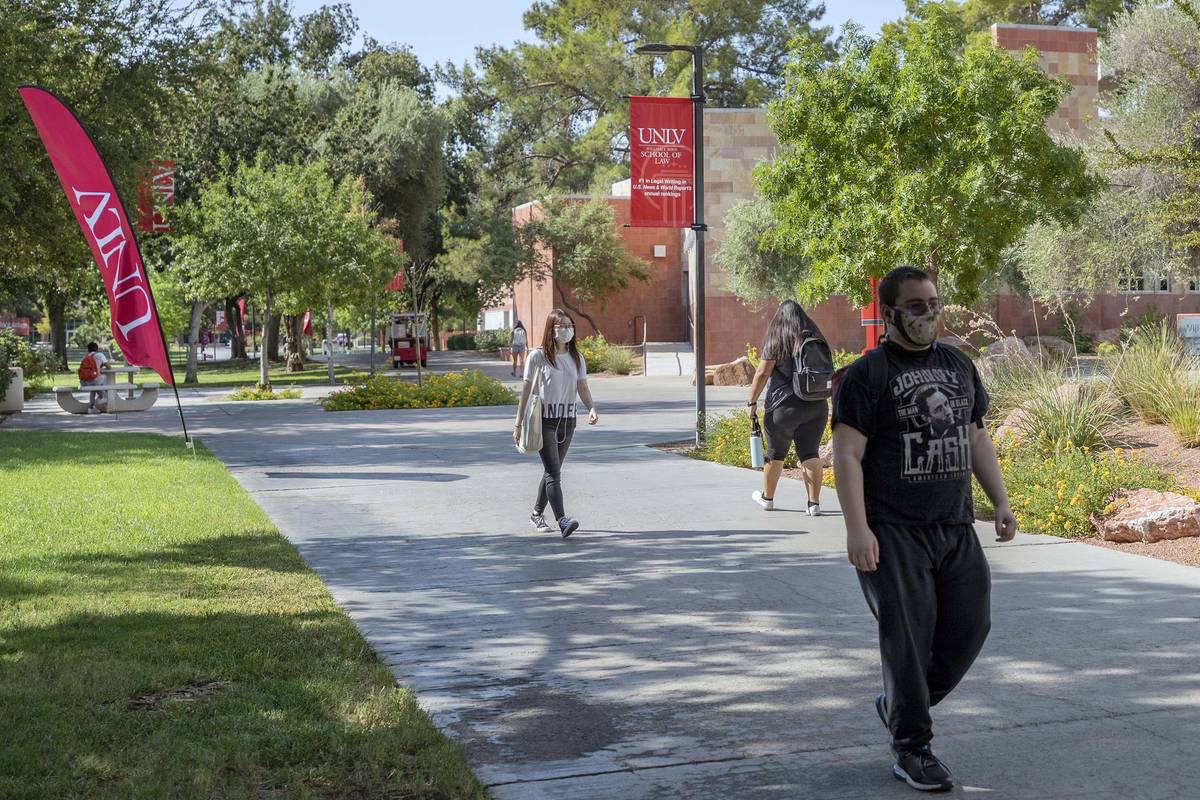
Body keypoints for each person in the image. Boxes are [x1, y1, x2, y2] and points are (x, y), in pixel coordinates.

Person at [831, 265, 1016, 793]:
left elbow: (976, 436)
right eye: (916, 306)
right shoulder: (866, 375)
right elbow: (848, 452)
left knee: (969, 628)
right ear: (888, 313)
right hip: (893, 532)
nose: (929, 314)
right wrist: (856, 529)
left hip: (954, 524)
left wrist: (999, 501)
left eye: (934, 303)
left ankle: (899, 704)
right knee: (907, 642)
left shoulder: (958, 364)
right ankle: (912, 748)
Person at [512, 309, 599, 538]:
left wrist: (591, 407)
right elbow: (527, 390)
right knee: (553, 471)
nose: (566, 330)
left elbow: (582, 386)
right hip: (544, 421)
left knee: (554, 470)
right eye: (560, 326)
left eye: (569, 326)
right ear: (551, 329)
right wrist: (518, 422)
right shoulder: (537, 357)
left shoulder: (576, 358)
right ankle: (562, 520)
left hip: (568, 421)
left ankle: (536, 513)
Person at [745, 300, 829, 515]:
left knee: (775, 454)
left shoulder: (777, 338)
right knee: (810, 453)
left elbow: (762, 372)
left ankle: (768, 499)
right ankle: (814, 504)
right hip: (816, 404)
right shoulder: (816, 337)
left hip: (783, 408)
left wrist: (751, 402)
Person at [78, 341, 110, 413]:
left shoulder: (86, 356)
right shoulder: (100, 355)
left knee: (94, 387)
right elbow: (109, 366)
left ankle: (91, 407)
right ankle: (103, 397)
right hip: (93, 380)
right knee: (104, 377)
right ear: (97, 349)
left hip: (83, 381)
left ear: (88, 350)